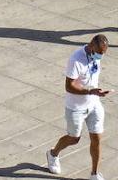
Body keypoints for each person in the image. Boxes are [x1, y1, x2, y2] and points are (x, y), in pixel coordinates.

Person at [45, 34, 112, 180]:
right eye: (99, 53)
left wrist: (95, 92)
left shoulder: (96, 55)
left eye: (103, 53)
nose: (100, 56)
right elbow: (69, 86)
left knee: (97, 139)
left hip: (94, 104)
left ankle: (94, 173)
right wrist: (90, 91)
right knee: (74, 138)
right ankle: (53, 153)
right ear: (91, 45)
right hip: (76, 107)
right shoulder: (76, 59)